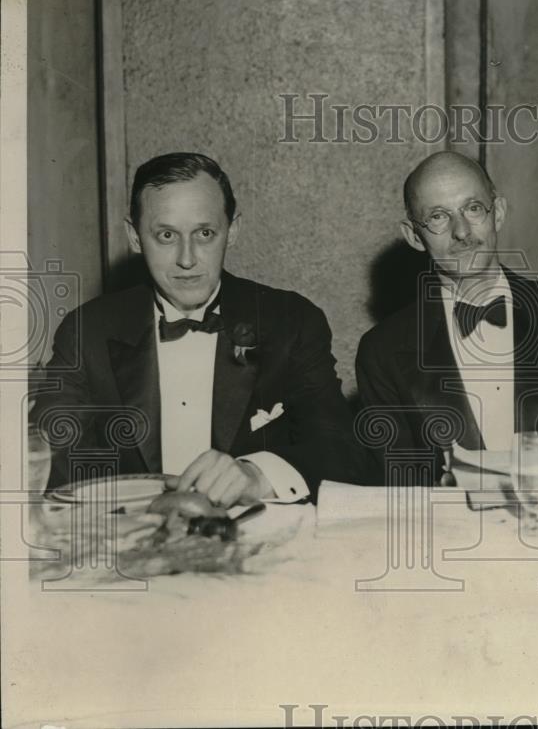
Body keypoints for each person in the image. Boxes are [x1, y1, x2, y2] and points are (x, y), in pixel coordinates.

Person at [31, 152, 363, 505]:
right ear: (133, 236)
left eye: (204, 233)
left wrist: (258, 474)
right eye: (166, 235)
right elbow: (45, 453)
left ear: (232, 231)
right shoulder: (87, 331)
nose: (187, 259)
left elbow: (342, 450)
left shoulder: (291, 321)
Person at [355, 151, 538, 484]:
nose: (461, 231)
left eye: (473, 208)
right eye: (438, 216)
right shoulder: (382, 352)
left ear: (499, 213)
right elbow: (396, 493)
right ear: (414, 236)